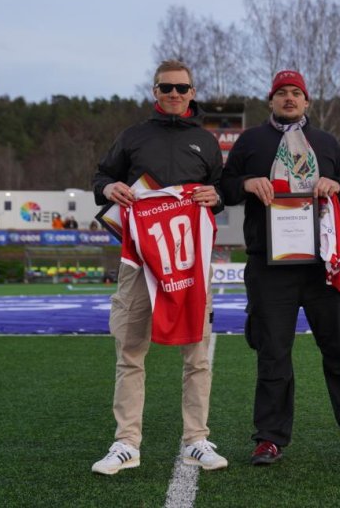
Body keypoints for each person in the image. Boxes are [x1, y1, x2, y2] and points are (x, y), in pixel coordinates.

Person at [221, 70, 340, 466]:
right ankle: (269, 438)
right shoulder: (251, 141)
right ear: (270, 101)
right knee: (273, 352)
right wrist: (246, 183)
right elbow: (223, 188)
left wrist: (336, 184)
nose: (289, 98)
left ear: (306, 101)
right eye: (281, 93)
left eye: (296, 93)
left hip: (321, 264)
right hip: (269, 265)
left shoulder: (325, 142)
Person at [90, 60, 227, 475]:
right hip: (139, 261)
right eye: (166, 87)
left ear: (192, 92)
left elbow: (221, 189)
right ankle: (126, 442)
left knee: (197, 352)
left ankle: (196, 439)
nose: (174, 94)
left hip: (188, 262)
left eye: (181, 88)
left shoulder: (205, 141)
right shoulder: (133, 136)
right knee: (130, 350)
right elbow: (101, 177)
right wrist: (109, 187)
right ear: (155, 91)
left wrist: (216, 196)